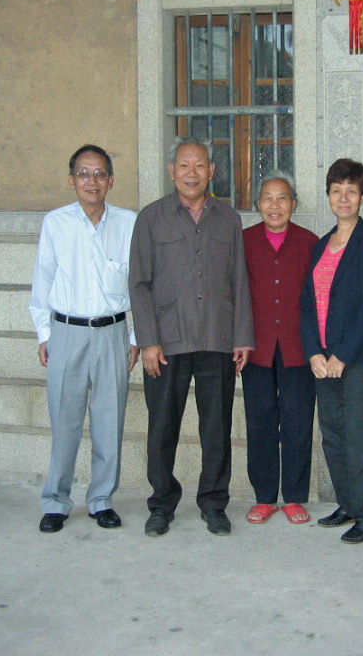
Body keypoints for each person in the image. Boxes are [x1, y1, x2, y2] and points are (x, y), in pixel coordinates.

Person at [129, 138, 254, 536]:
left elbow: (239, 280)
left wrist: (242, 337)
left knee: (216, 429)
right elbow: (139, 284)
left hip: (217, 338)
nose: (191, 173)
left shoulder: (228, 219)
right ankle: (161, 504)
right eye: (184, 165)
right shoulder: (151, 218)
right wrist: (147, 341)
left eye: (199, 165)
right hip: (167, 342)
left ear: (211, 171)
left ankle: (214, 503)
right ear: (171, 171)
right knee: (162, 428)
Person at [29, 144, 139, 534]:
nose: (92, 181)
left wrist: (135, 337)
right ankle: (56, 501)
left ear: (111, 180)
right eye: (83, 173)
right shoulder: (56, 223)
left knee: (109, 422)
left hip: (112, 334)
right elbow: (42, 279)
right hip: (66, 333)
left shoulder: (129, 223)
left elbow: (141, 284)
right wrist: (45, 333)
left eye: (99, 174)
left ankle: (101, 499)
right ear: (72, 179)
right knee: (65, 422)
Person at [300, 158, 363, 544]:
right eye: (337, 191)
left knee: (360, 434)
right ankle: (348, 504)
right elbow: (307, 303)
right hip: (323, 359)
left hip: (359, 358)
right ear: (329, 195)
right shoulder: (321, 245)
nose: (344, 198)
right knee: (332, 433)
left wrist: (342, 355)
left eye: (351, 191)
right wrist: (313, 352)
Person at [241, 172, 318, 525]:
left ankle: (295, 497)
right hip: (255, 348)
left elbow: (317, 300)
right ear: (258, 204)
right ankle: (264, 497)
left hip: (297, 347)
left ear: (293, 204)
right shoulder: (244, 241)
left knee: (297, 423)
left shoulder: (309, 243)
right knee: (260, 423)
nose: (275, 205)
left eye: (282, 198)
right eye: (268, 198)